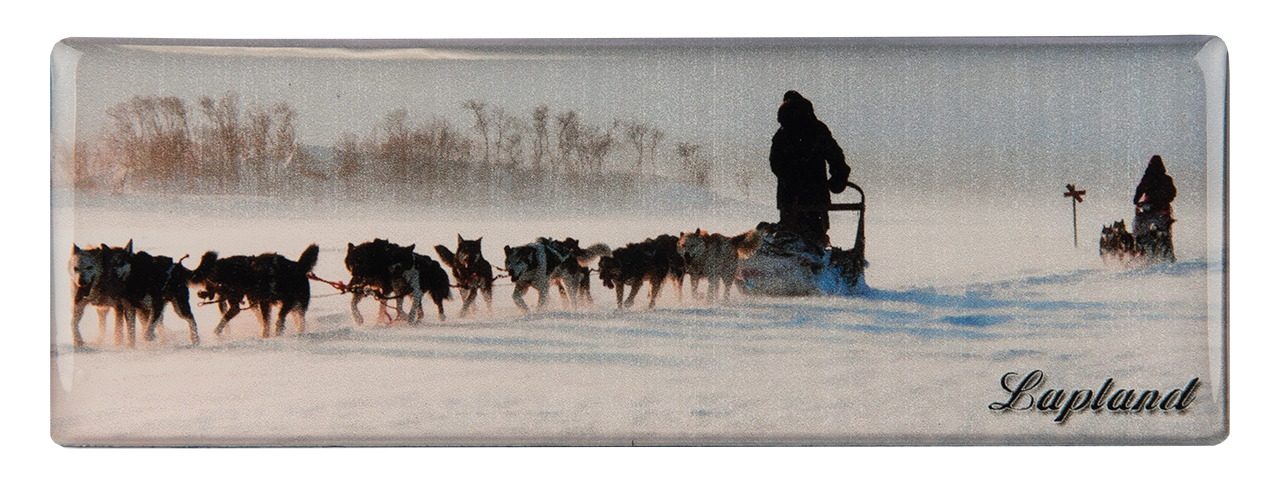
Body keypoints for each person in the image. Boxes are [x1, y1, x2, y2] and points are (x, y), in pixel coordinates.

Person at [769, 91, 850, 244]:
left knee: (790, 240)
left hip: (789, 198)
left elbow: (775, 163)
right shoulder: (818, 129)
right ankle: (817, 262)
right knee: (816, 237)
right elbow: (836, 156)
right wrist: (837, 181)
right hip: (817, 195)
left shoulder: (782, 133)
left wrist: (791, 180)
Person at [1132, 155, 1177, 236]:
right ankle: (1165, 237)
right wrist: (1166, 200)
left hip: (1149, 204)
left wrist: (1136, 200)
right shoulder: (1166, 178)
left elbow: (1140, 189)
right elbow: (1172, 193)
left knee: (1140, 221)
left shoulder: (1147, 177)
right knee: (1165, 224)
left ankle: (1139, 237)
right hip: (1162, 206)